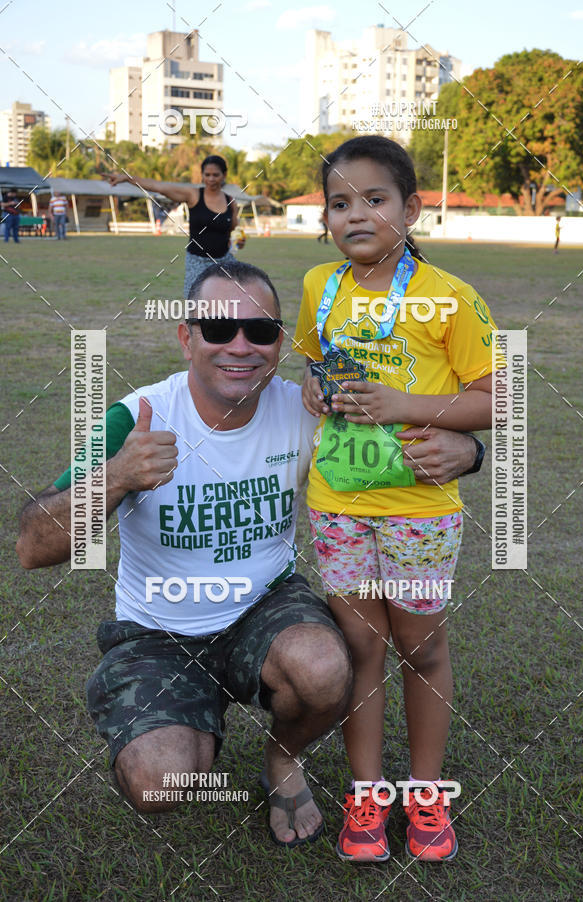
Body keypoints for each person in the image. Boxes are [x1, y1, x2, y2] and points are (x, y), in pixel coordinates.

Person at [16, 259, 482, 847]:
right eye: (217, 329)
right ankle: (192, 719)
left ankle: (282, 759)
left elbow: (401, 440)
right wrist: (117, 476)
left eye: (260, 331)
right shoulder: (136, 418)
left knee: (325, 668)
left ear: (280, 343)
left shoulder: (307, 409)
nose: (241, 345)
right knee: (159, 782)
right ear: (186, 338)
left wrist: (468, 450)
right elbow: (32, 547)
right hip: (158, 630)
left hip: (265, 609)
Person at [294, 135, 496, 864]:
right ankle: (368, 794)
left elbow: (495, 396)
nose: (355, 216)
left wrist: (407, 403)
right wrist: (316, 386)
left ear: (410, 209)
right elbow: (313, 364)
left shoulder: (450, 295)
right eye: (339, 203)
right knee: (361, 648)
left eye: (374, 200)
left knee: (422, 646)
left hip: (418, 507)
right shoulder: (322, 285)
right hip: (339, 502)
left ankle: (427, 791)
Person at [107, 155, 239, 297]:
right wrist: (127, 178)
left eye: (216, 175)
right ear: (202, 176)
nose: (211, 179)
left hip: (224, 261)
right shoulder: (193, 195)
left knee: (230, 304)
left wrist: (239, 242)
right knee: (195, 307)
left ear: (224, 175)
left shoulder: (230, 201)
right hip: (198, 262)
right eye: (207, 175)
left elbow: (231, 230)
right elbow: (158, 187)